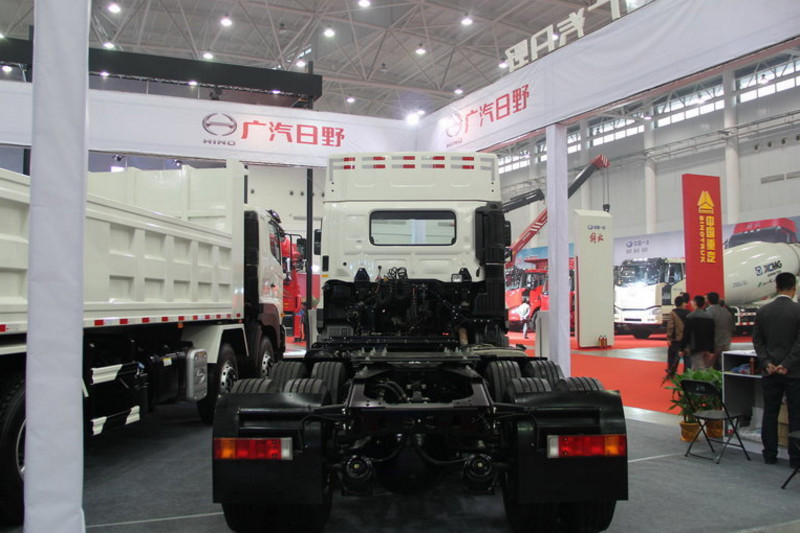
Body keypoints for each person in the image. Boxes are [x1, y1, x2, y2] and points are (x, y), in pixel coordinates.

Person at [752, 272, 800, 467]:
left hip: (770, 371)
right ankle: (795, 458)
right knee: (796, 415)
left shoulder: (763, 311)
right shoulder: (798, 310)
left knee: (770, 413)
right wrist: (786, 364)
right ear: (793, 288)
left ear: (776, 287)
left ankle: (769, 454)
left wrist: (766, 362)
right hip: (794, 372)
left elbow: (757, 341)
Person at [679, 295, 715, 370]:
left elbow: (686, 334)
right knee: (703, 367)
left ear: (695, 303)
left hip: (695, 346)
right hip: (707, 346)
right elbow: (712, 334)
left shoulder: (690, 317)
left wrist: (682, 348)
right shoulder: (709, 317)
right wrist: (712, 350)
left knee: (699, 369)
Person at [706, 291, 735, 370]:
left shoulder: (708, 312)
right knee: (725, 365)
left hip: (714, 343)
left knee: (709, 366)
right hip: (726, 341)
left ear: (708, 300)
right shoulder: (726, 311)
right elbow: (731, 326)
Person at [665, 295, 691, 379]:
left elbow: (670, 326)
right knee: (687, 358)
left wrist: (669, 338)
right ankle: (687, 374)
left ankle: (671, 373)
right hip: (687, 339)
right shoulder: (689, 313)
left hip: (676, 339)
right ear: (683, 303)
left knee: (673, 357)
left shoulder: (673, 313)